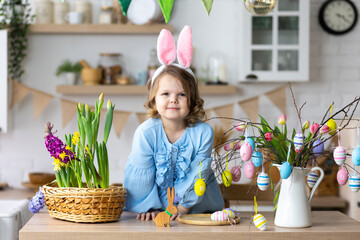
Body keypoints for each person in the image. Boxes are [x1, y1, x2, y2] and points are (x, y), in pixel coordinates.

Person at [124, 26, 224, 221]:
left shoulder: (203, 133)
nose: (173, 100)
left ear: (192, 99)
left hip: (197, 211)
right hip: (154, 211)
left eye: (181, 94)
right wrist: (148, 207)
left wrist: (183, 208)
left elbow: (199, 174)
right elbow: (140, 176)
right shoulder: (146, 133)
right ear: (154, 99)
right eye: (165, 94)